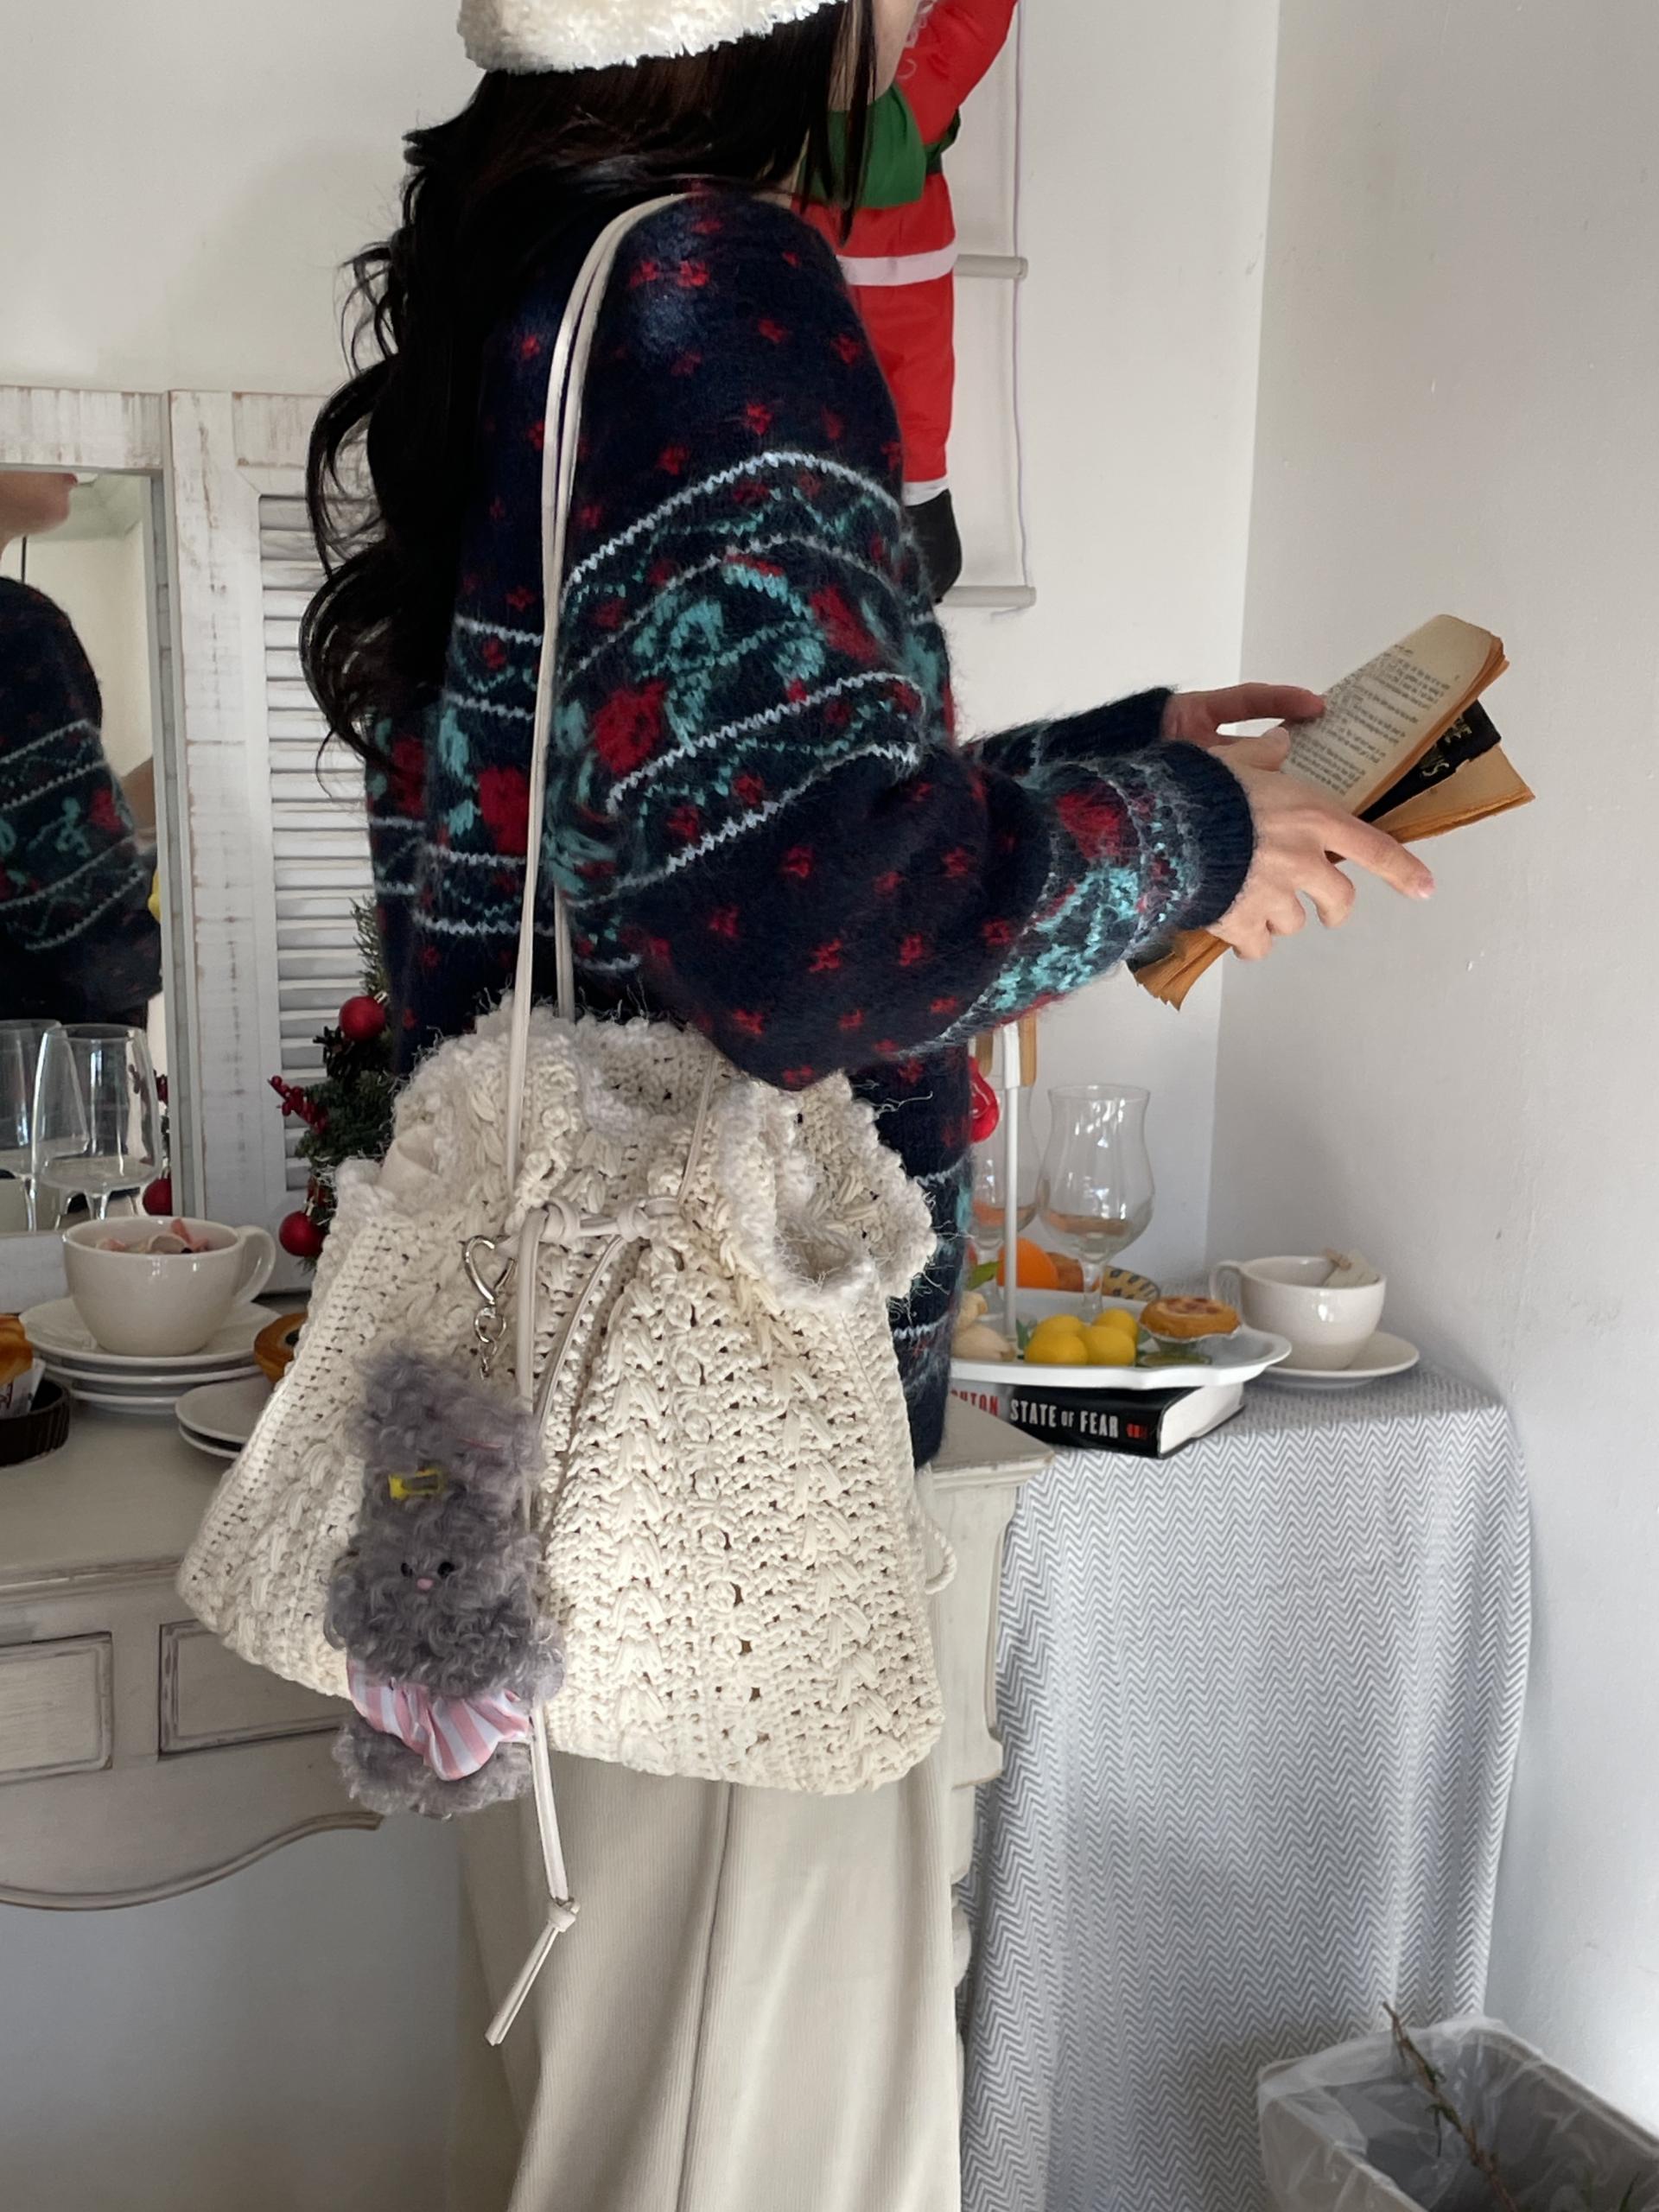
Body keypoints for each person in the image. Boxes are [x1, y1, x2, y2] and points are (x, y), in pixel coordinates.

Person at [302, 3, 1433, 2205]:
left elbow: (696, 847)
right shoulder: (716, 279)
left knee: (610, 2128)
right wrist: (1190, 833)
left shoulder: (555, 286)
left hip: (548, 1436)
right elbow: (804, 944)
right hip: (728, 1455)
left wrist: (1114, 753)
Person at [801, 0, 1020, 599]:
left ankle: (913, 514)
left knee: (906, 390)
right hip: (825, 264)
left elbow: (971, 29)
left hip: (882, 261)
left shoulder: (913, 77)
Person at [0, 469, 161, 1027]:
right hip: (36, 1067)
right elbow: (102, 955)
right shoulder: (18, 631)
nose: (69, 455)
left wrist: (117, 809)